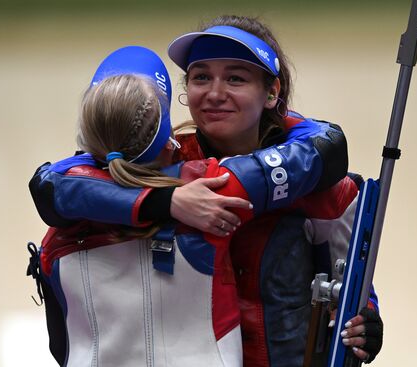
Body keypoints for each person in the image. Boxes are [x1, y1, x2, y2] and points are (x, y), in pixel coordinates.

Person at [29, 16, 383, 366]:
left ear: (272, 92)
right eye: (201, 77)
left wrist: (366, 321)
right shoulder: (153, 162)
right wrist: (167, 201)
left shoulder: (319, 184)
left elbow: (352, 285)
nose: (215, 93)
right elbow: (54, 183)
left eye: (235, 78)